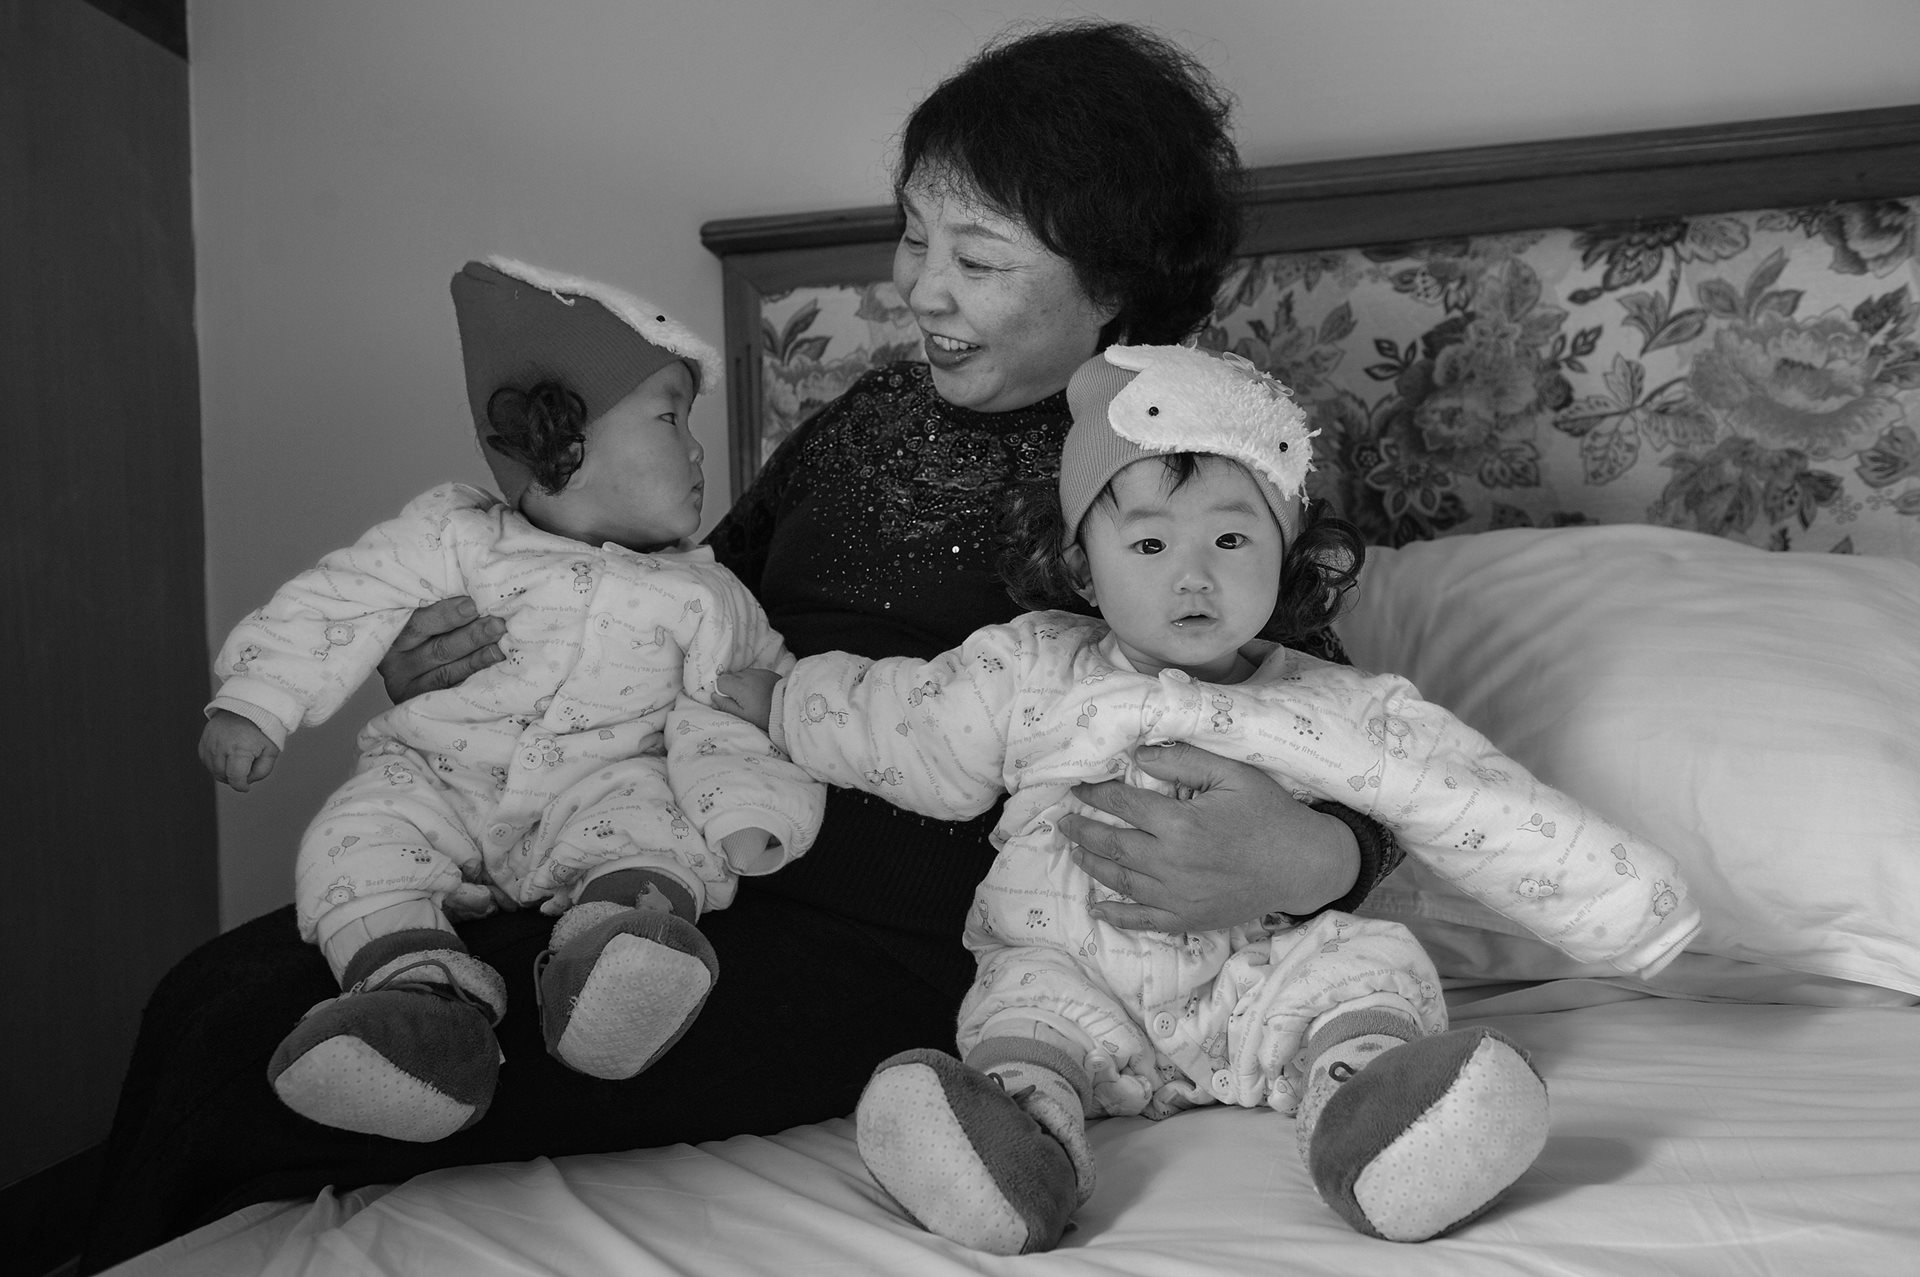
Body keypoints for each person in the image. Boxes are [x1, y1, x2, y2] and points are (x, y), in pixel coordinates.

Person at [82, 22, 1399, 1270]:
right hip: (672, 843)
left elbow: (1338, 747)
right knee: (215, 993)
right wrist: (460, 650)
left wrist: (1312, 851)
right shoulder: (877, 411)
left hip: (904, 946)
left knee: (244, 1049)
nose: (913, 287)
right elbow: (690, 602)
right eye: (913, 232)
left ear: (1111, 286)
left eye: (976, 258)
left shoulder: (1187, 465)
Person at [714, 344, 1699, 1252]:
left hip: (1258, 976)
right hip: (1075, 973)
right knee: (1019, 1000)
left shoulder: (1336, 705)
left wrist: (1633, 909)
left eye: (1232, 537)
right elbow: (902, 726)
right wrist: (779, 697)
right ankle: (1018, 1140)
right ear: (1080, 565)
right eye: (1147, 545)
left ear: (1289, 554)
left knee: (1360, 964)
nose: (1193, 576)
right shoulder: (1026, 669)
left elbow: (1474, 800)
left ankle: (1378, 1123)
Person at [196, 256, 824, 1143]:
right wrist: (256, 698)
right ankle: (412, 1001)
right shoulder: (454, 536)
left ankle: (618, 955)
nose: (695, 450)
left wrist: (752, 814)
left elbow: (748, 709)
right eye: (669, 418)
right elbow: (343, 598)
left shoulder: (705, 596)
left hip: (596, 796)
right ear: (560, 441)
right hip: (441, 782)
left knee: (658, 819)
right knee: (354, 837)